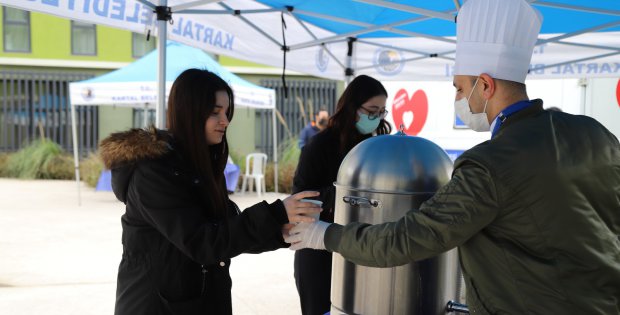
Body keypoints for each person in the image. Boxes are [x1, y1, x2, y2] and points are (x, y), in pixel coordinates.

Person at [285, 0, 620, 314]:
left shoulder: (490, 164)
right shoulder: (594, 133)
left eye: (460, 88)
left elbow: (406, 239)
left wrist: (326, 234)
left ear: (485, 86)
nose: (460, 99)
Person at [99, 69, 321, 315]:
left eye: (226, 112)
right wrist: (276, 213)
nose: (225, 121)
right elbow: (203, 242)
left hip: (197, 299)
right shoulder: (153, 174)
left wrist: (278, 232)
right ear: (189, 112)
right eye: (215, 112)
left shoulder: (196, 164)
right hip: (156, 306)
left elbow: (224, 230)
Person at [291, 75, 392, 315]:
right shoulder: (319, 147)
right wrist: (348, 193)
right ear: (351, 108)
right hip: (318, 251)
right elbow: (300, 200)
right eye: (372, 111)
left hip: (359, 247)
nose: (376, 118)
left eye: (382, 112)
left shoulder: (374, 146)